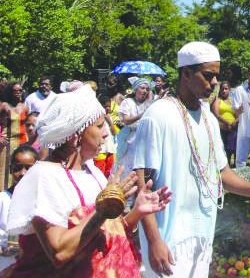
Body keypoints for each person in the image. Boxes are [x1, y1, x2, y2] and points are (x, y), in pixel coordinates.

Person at [133, 42, 250, 277]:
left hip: (201, 235)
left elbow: (221, 173)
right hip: (168, 237)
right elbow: (142, 185)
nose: (214, 83)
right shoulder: (158, 115)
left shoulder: (209, 118)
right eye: (208, 75)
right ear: (186, 73)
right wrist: (154, 241)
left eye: (216, 76)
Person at [5, 84, 171, 277]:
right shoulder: (44, 177)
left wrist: (136, 212)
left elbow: (106, 231)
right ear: (76, 133)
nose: (106, 133)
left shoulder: (92, 171)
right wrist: (102, 211)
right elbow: (59, 252)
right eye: (99, 125)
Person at [0, 145, 38, 253]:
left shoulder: (42, 201)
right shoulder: (3, 199)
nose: (23, 173)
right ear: (11, 169)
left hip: (32, 262)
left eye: (29, 168)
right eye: (17, 168)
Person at [116, 77, 153, 177]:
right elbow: (126, 120)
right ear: (136, 89)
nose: (145, 91)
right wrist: (140, 115)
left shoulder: (148, 104)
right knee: (127, 170)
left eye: (147, 89)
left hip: (144, 138)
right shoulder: (127, 102)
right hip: (129, 139)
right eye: (142, 88)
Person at [211, 81, 240, 165]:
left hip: (233, 128)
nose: (224, 91)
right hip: (222, 128)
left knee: (234, 149)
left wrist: (235, 122)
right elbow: (216, 114)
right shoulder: (217, 100)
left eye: (226, 89)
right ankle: (224, 167)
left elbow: (237, 114)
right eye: (222, 89)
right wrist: (227, 123)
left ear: (229, 90)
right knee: (225, 150)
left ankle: (235, 167)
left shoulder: (232, 101)